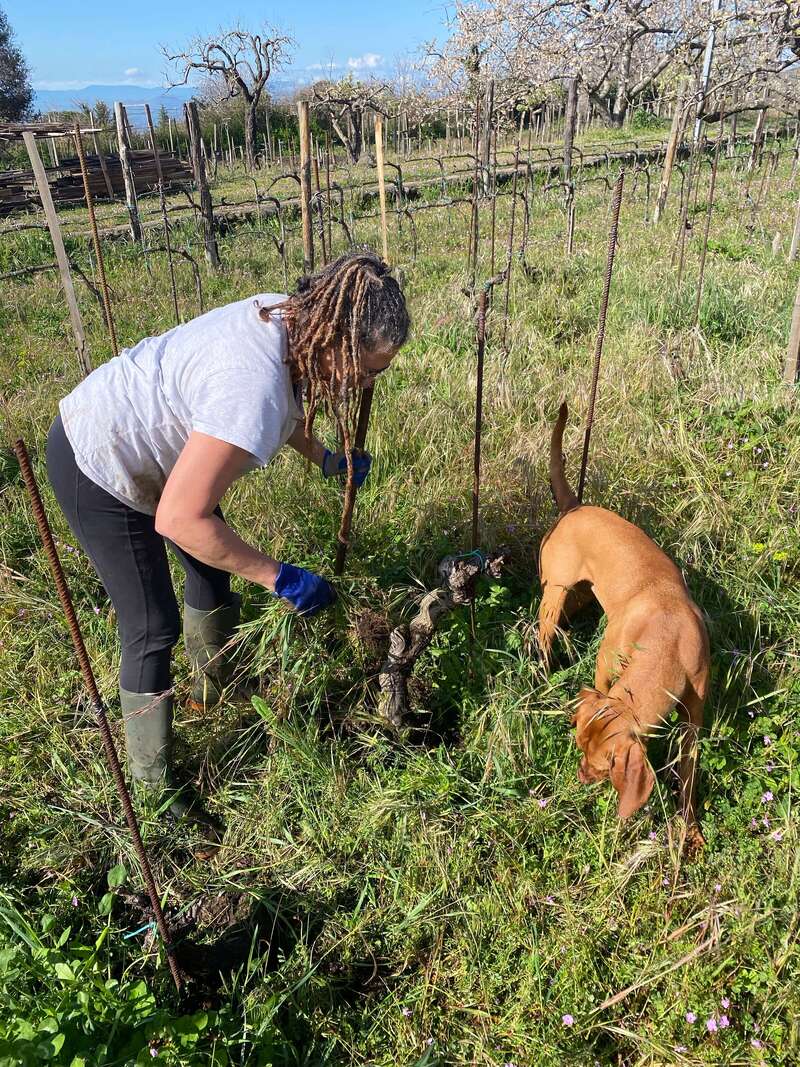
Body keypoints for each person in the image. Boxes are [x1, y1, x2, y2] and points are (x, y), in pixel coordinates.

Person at [46, 250, 410, 850]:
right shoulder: (253, 385)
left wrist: (324, 457)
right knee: (152, 625)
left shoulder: (292, 322)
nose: (367, 385)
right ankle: (154, 790)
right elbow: (180, 518)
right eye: (367, 370)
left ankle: (212, 691)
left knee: (211, 579)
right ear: (336, 342)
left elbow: (286, 399)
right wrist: (279, 577)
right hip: (99, 459)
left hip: (163, 457)